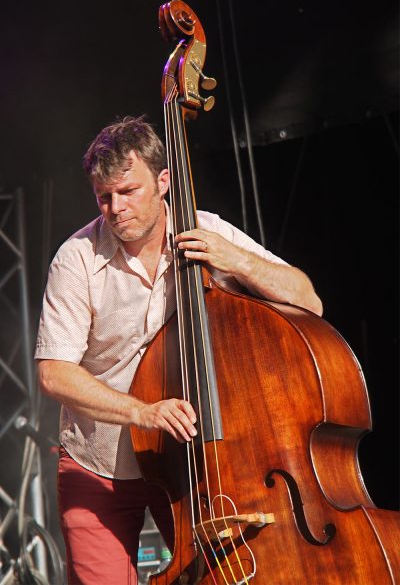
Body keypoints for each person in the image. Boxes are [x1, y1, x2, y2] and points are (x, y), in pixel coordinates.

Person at [35, 116, 322, 584]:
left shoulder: (208, 230)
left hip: (190, 463)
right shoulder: (77, 259)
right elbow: (53, 373)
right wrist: (141, 412)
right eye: (104, 197)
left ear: (164, 181)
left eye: (128, 191)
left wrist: (239, 261)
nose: (115, 208)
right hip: (100, 465)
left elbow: (308, 300)